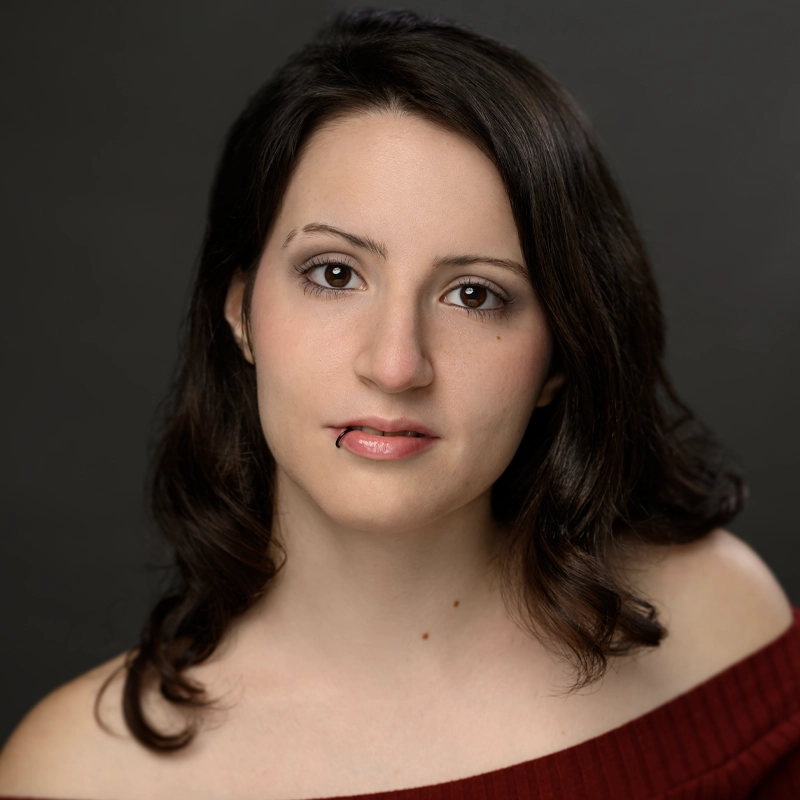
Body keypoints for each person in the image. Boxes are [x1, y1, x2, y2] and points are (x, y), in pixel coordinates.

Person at [0, 8, 797, 799]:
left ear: (561, 354)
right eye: (335, 274)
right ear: (240, 310)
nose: (395, 364)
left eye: (475, 293)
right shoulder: (78, 774)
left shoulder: (716, 623)